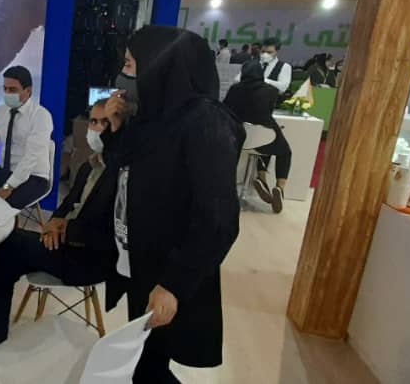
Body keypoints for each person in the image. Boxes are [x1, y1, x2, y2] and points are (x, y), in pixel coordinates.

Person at [0, 99, 125, 369]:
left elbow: (111, 234)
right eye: (93, 121)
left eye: (105, 122)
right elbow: (66, 206)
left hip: (88, 260)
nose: (97, 128)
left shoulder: (123, 175)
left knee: (9, 243)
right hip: (62, 244)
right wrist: (53, 223)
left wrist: (64, 229)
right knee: (5, 261)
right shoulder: (88, 166)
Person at [104, 26, 243, 383]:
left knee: (151, 366)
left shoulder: (205, 122)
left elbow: (219, 219)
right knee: (145, 362)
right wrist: (116, 128)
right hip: (139, 262)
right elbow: (123, 168)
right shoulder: (154, 116)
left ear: (159, 66)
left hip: (168, 272)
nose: (123, 74)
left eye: (130, 65)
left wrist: (174, 284)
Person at [0, 66, 53, 209]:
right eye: (5, 89)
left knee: (1, 207)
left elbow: (31, 157)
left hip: (34, 176)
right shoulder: (0, 111)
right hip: (6, 172)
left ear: (28, 91)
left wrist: (8, 186)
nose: (8, 93)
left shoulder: (41, 116)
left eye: (13, 90)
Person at [224, 61, 292, 213]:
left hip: (238, 139)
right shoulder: (271, 91)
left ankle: (262, 179)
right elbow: (267, 112)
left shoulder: (235, 89)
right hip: (264, 138)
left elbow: (226, 109)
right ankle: (279, 187)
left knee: (262, 145)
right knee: (284, 151)